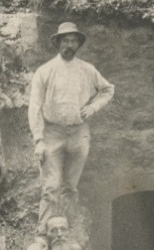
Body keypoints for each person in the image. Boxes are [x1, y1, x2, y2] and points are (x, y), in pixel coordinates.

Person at [28, 21, 114, 232]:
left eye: (73, 41)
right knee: (51, 186)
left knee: (70, 187)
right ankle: (43, 232)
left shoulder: (87, 70)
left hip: (79, 133)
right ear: (58, 43)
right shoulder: (45, 71)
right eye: (65, 40)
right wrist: (38, 140)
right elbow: (35, 107)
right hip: (52, 132)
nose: (69, 44)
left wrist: (93, 108)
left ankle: (67, 232)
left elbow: (108, 90)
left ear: (78, 44)